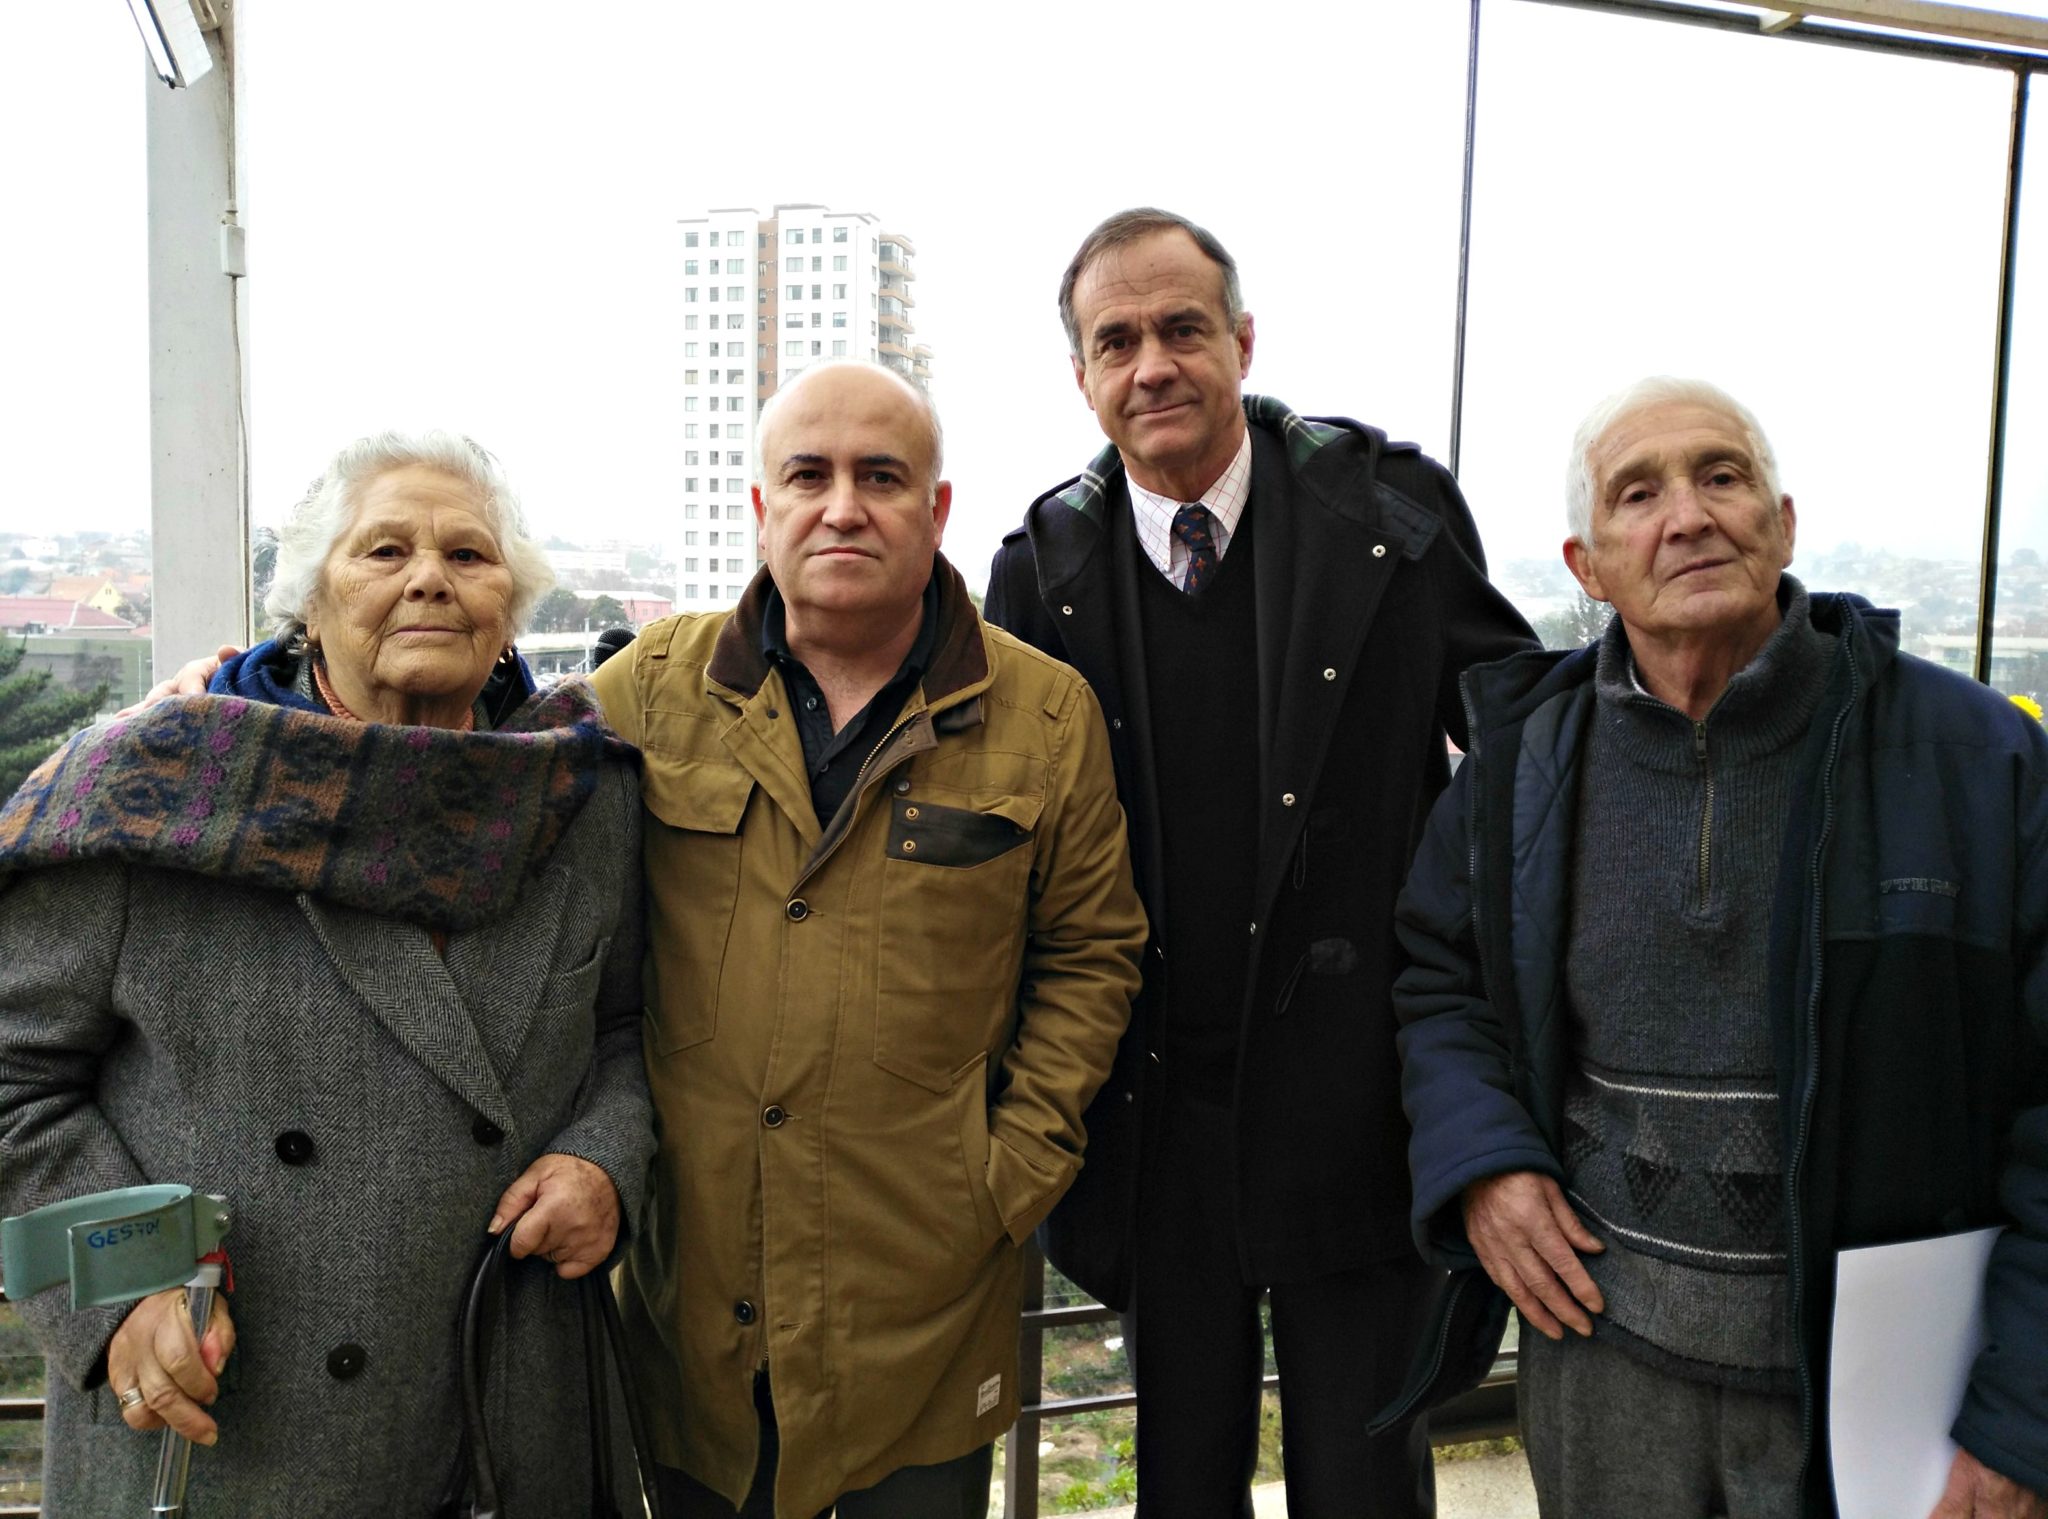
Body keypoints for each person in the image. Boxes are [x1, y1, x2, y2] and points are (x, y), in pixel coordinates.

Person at [1390, 376, 2048, 1518]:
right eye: (1634, 494)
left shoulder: (1971, 763)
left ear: (1781, 523)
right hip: (1600, 1371)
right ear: (1584, 569)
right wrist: (1483, 1160)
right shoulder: (1518, 771)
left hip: (1879, 1398)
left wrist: (2023, 1420)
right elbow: (1437, 984)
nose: (1684, 515)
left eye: (1721, 476)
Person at [984, 207, 1536, 1518]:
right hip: (1158, 1111)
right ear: (1083, 377)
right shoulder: (1041, 565)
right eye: (1116, 341)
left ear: (1243, 339)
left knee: (1361, 1477)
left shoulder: (1387, 516)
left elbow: (1520, 753)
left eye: (1183, 328)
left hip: (1358, 1098)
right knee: (1183, 1474)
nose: (1154, 364)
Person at [0, 432, 654, 1513]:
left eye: (469, 555)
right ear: (308, 601)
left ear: (510, 610)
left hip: (506, 1413)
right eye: (383, 549)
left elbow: (630, 1029)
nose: (430, 577)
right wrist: (116, 1293)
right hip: (241, 1431)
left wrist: (606, 1160)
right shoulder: (161, 791)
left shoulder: (583, 795)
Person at [590, 361, 1145, 1518]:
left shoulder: (1042, 717)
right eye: (808, 475)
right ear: (760, 508)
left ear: (934, 510)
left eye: (880, 476)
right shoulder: (650, 692)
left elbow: (1092, 953)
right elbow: (485, 790)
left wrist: (1005, 1174)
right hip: (695, 1294)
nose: (841, 505)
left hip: (920, 1301)